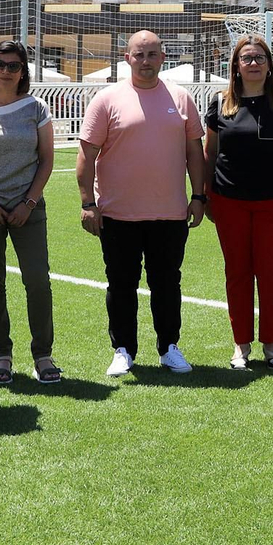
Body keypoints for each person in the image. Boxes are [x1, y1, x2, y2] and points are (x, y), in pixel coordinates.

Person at [78, 30, 207, 377]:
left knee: (167, 283)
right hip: (118, 214)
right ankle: (123, 349)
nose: (146, 62)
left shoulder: (180, 98)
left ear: (163, 58)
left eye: (152, 55)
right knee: (121, 284)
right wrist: (88, 203)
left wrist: (198, 196)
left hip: (170, 213)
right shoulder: (106, 100)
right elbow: (87, 155)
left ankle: (169, 347)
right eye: (139, 55)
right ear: (127, 58)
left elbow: (195, 152)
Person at [203, 35, 273, 369]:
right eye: (246, 58)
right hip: (228, 200)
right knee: (237, 273)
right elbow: (209, 154)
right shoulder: (220, 102)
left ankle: (271, 344)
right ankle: (241, 345)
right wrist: (205, 196)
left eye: (259, 58)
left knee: (271, 273)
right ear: (236, 65)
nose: (253, 64)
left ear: (269, 64)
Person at [0, 40, 59, 385]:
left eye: (13, 65)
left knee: (37, 280)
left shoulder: (36, 108)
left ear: (24, 71)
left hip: (27, 208)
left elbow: (47, 160)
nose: (5, 71)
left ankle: (43, 354)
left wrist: (28, 202)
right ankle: (1, 353)